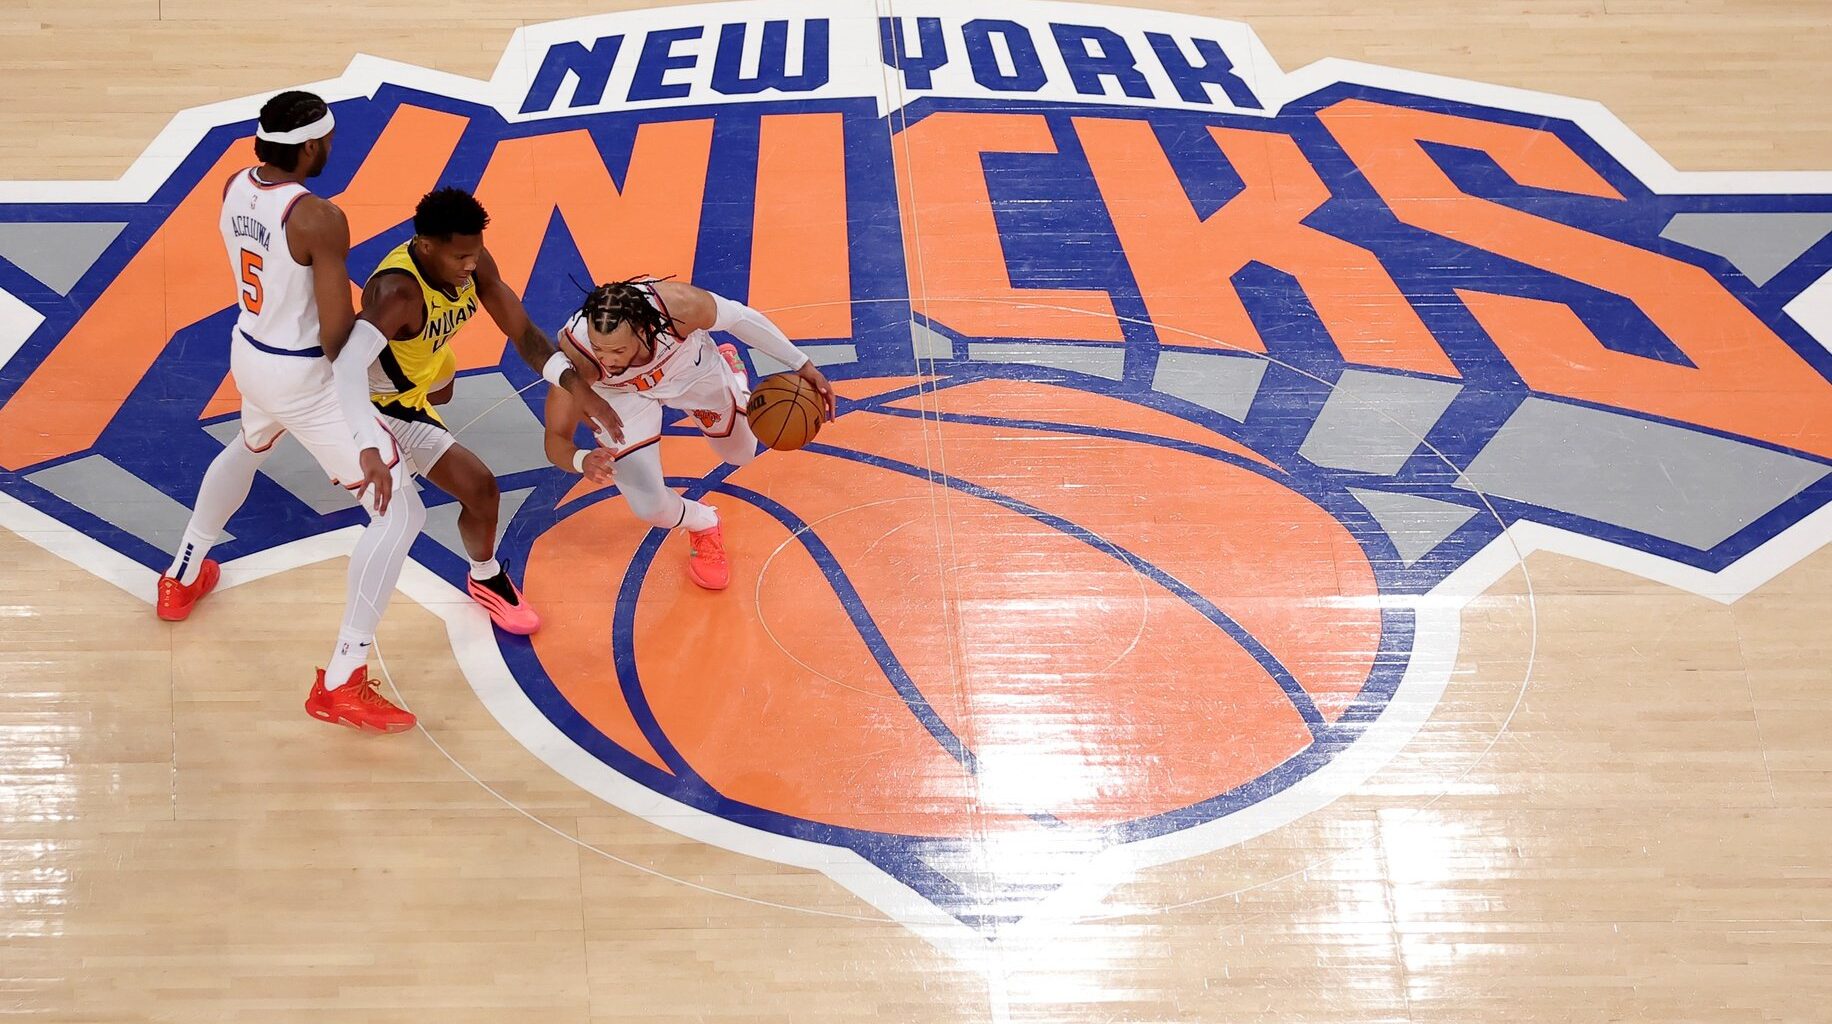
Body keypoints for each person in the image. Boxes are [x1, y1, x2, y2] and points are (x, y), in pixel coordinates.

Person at [155, 90, 419, 733]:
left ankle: (181, 574)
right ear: (310, 146)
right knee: (400, 512)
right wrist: (385, 366)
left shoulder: (233, 185)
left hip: (249, 349)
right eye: (327, 142)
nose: (330, 150)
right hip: (303, 370)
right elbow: (336, 336)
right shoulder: (319, 217)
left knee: (248, 445)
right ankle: (342, 680)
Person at [353, 186, 618, 634]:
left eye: (475, 253)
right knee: (481, 490)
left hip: (427, 367)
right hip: (384, 404)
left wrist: (579, 388)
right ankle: (485, 577)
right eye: (460, 257)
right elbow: (342, 367)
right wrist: (358, 439)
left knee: (443, 388)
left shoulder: (472, 263)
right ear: (426, 246)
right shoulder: (396, 294)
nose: (471, 265)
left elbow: (526, 336)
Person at [541, 277, 834, 590]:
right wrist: (581, 459)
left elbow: (739, 317)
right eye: (599, 348)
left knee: (740, 455)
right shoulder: (581, 358)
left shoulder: (679, 307)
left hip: (690, 374)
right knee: (649, 507)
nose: (606, 359)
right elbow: (555, 438)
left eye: (616, 350)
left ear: (643, 331)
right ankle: (704, 523)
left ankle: (737, 383)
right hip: (620, 401)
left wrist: (802, 364)